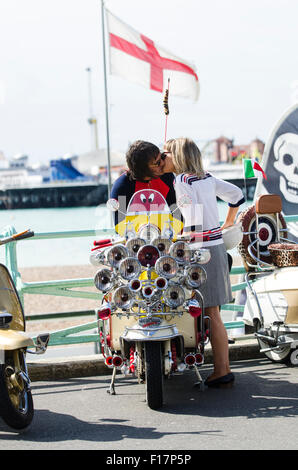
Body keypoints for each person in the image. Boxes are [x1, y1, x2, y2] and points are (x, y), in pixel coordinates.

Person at [163, 137, 245, 388]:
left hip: (200, 252)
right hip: (217, 247)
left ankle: (220, 369)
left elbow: (193, 221)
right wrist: (226, 224)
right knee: (214, 314)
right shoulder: (207, 178)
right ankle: (223, 368)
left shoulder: (182, 181)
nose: (162, 157)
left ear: (177, 156)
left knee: (203, 312)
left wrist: (178, 237)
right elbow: (238, 195)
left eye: (166, 153)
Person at [110, 140, 177, 227]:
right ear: (143, 169)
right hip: (135, 237)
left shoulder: (167, 176)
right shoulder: (122, 185)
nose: (163, 163)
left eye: (162, 157)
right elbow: (119, 224)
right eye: (158, 163)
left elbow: (176, 213)